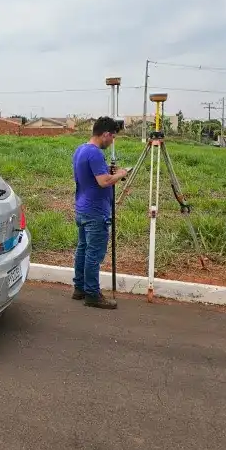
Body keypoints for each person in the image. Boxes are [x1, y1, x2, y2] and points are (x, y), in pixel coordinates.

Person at [71, 116, 128, 309]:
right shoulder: (95, 153)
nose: (112, 141)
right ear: (105, 134)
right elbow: (103, 182)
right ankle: (92, 294)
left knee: (83, 250)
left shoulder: (80, 150)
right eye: (112, 137)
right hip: (95, 212)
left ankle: (79, 288)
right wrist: (119, 174)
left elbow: (90, 175)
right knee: (94, 254)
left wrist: (108, 171)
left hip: (82, 207)